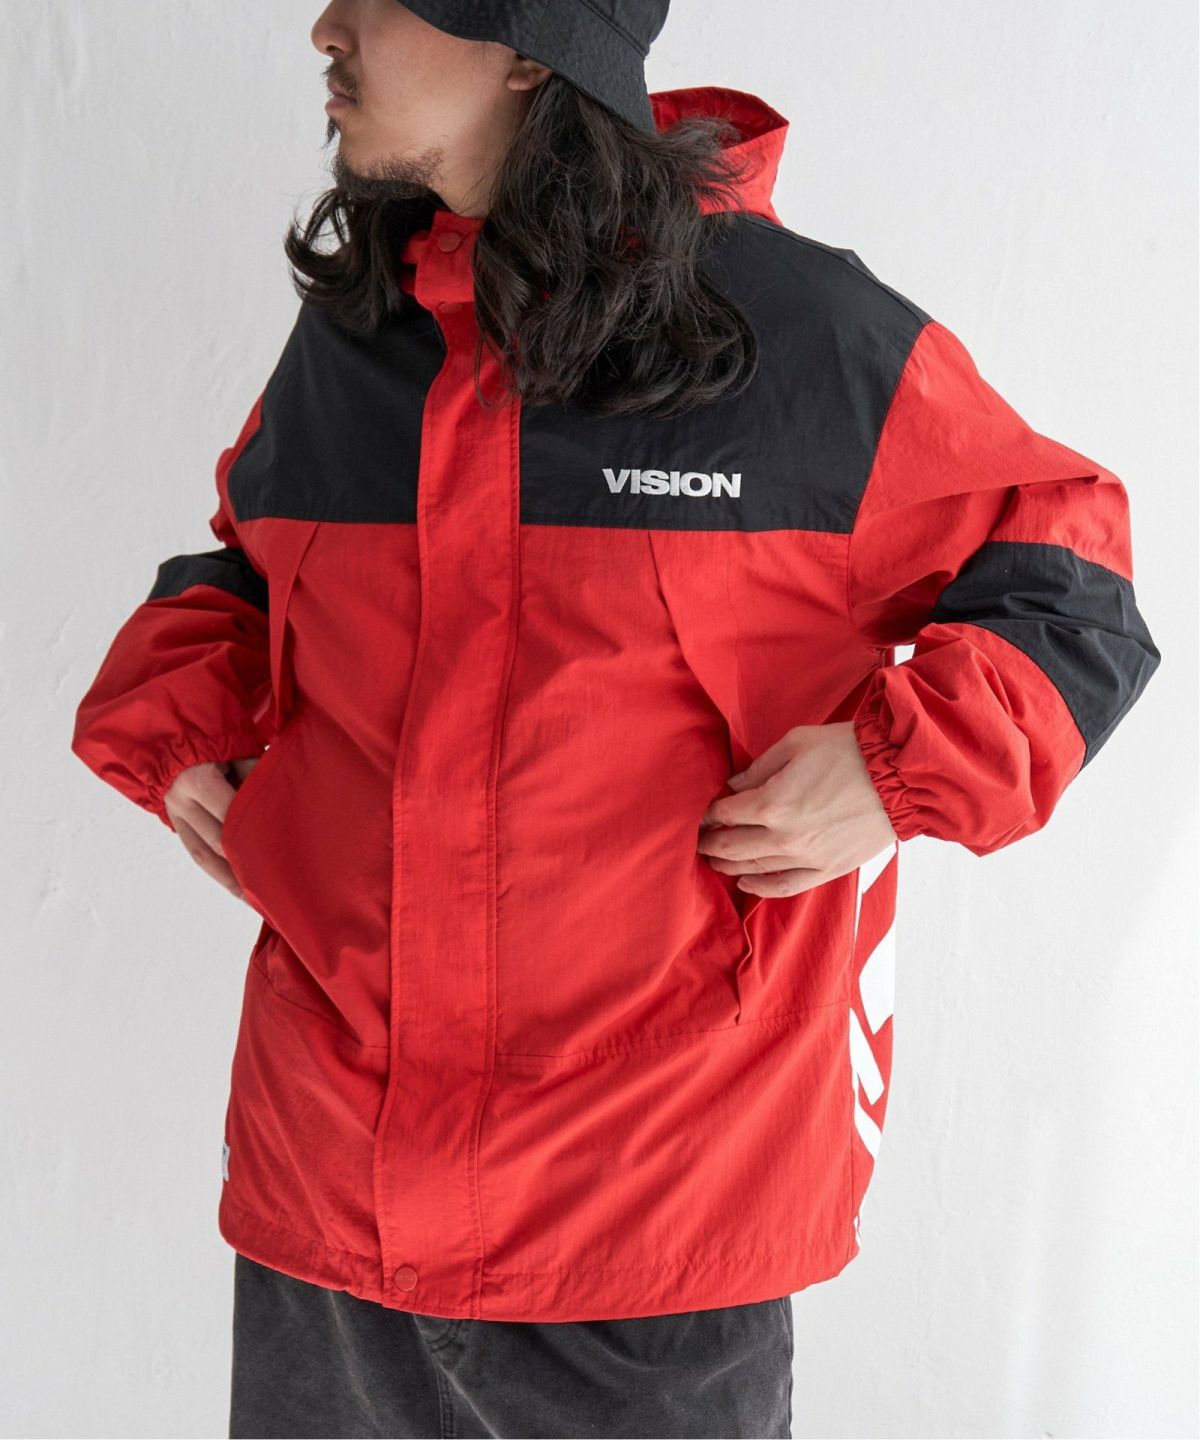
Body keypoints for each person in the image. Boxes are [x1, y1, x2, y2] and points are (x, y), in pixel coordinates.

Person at [69, 1, 1162, 1437]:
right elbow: (249, 571)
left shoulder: (790, 332)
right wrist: (180, 733)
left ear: (532, 45)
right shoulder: (362, 333)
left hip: (652, 1229)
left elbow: (1073, 586)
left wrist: (893, 769)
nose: (327, 25)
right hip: (328, 1215)